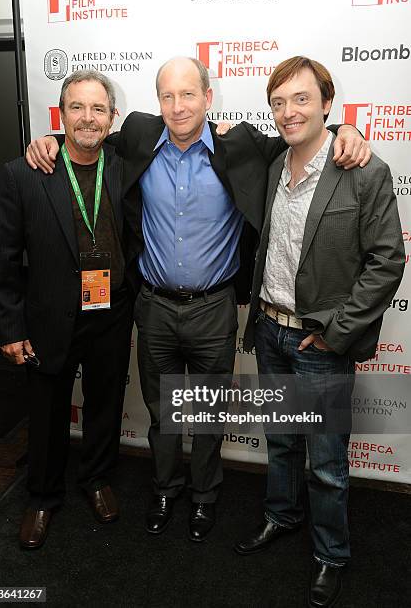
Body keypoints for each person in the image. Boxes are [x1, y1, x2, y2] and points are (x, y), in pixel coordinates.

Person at [25, 56, 369, 542]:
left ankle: (205, 497)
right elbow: (88, 136)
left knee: (205, 414)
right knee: (163, 412)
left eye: (188, 94)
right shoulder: (140, 139)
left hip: (214, 308)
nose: (178, 105)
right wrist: (50, 140)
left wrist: (345, 129)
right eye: (167, 95)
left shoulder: (242, 145)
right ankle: (165, 488)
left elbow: (302, 135)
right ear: (156, 102)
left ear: (209, 98)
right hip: (155, 307)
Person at [232, 56, 405, 607]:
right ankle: (280, 516)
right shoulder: (273, 165)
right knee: (282, 442)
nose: (289, 112)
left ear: (327, 104)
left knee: (327, 463)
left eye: (302, 99)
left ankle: (331, 554)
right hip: (271, 332)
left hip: (319, 343)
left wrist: (337, 331)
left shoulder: (362, 169)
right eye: (279, 102)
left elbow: (387, 260)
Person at [0, 71, 137, 550]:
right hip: (49, 317)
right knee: (48, 411)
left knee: (105, 405)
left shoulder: (126, 166)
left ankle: (95, 479)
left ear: (112, 118)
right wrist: (10, 328)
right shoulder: (24, 174)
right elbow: (6, 260)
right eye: (77, 108)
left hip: (110, 314)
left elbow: (180, 124)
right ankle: (42, 496)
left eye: (98, 109)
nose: (88, 118)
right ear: (61, 115)